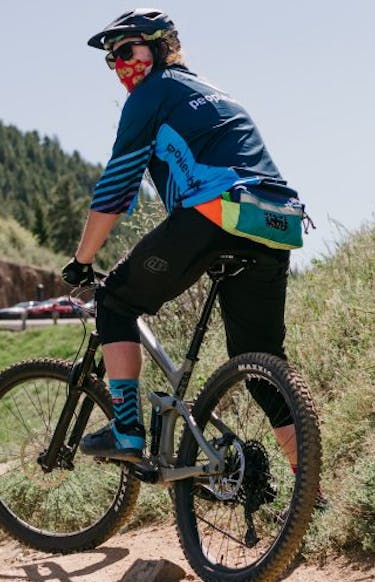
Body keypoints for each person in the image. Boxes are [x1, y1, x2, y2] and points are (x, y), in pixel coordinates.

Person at [59, 9, 303, 471]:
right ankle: (313, 492)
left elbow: (115, 189)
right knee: (261, 367)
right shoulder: (213, 92)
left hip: (215, 213)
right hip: (274, 222)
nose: (119, 65)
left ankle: (127, 429)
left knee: (114, 301)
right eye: (112, 60)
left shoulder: (151, 94)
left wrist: (82, 260)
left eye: (126, 50)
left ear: (160, 45)